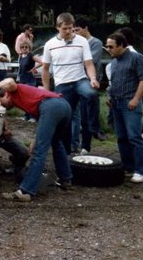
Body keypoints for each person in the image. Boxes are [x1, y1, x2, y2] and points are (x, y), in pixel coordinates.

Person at [0, 78, 72, 202]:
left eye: (2, 103)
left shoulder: (13, 90)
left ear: (5, 94)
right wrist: (35, 140)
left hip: (51, 106)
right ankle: (66, 179)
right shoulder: (25, 100)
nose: (4, 107)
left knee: (40, 152)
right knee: (56, 142)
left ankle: (26, 191)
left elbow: (11, 82)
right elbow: (43, 123)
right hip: (64, 106)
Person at [41, 12, 99, 155]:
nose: (68, 31)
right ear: (57, 28)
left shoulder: (82, 41)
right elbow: (45, 69)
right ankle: (67, 151)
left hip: (80, 80)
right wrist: (47, 91)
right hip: (62, 84)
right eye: (65, 28)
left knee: (91, 94)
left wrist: (92, 78)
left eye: (71, 28)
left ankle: (89, 139)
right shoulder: (50, 45)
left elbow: (89, 63)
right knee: (66, 118)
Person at [105, 32, 143, 183]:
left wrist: (136, 99)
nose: (108, 49)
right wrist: (109, 97)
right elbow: (114, 83)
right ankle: (128, 167)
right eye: (107, 46)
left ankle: (141, 170)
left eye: (111, 46)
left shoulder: (136, 58)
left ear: (122, 45)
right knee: (121, 137)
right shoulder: (114, 63)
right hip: (116, 103)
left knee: (134, 137)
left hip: (129, 103)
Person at [73, 18, 106, 153]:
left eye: (77, 30)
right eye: (73, 30)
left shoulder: (95, 43)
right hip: (76, 80)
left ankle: (87, 144)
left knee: (87, 115)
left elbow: (90, 60)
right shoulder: (75, 42)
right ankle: (74, 143)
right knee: (76, 114)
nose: (75, 32)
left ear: (85, 28)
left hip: (89, 81)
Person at [17, 40, 43, 122]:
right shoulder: (20, 56)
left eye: (26, 47)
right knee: (24, 99)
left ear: (29, 48)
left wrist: (33, 69)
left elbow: (41, 62)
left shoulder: (31, 56)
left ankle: (33, 116)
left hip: (30, 80)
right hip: (22, 79)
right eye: (22, 47)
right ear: (20, 48)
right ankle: (26, 116)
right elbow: (20, 68)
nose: (24, 49)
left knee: (31, 99)